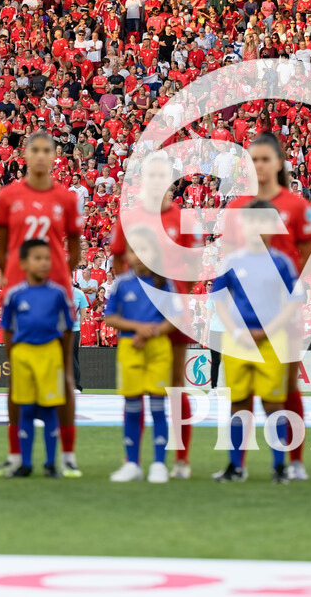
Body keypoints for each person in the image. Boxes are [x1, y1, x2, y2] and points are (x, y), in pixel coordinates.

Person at [0, 132, 83, 479]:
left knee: (65, 375)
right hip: (19, 291)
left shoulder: (66, 199)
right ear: (25, 155)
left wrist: (58, 274)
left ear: (55, 155)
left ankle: (67, 455)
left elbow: (74, 250)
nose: (41, 156)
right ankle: (16, 456)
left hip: (56, 294)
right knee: (17, 379)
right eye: (35, 150)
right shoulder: (8, 196)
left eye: (47, 150)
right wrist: (12, 274)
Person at [223, 133, 311, 481]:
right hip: (243, 316)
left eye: (265, 159)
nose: (259, 166)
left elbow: (306, 255)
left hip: (281, 315)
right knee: (240, 394)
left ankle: (293, 462)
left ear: (279, 163)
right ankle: (238, 465)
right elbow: (229, 259)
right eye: (253, 159)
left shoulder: (297, 207)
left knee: (286, 390)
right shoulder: (236, 207)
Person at [111, 154, 203, 480]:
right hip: (138, 312)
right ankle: (132, 460)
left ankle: (179, 459)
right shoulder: (130, 217)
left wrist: (175, 297)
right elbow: (118, 260)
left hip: (172, 315)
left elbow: (193, 268)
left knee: (175, 386)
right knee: (135, 389)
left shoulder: (186, 220)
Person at [211, 199, 300, 484]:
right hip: (238, 341)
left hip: (272, 341)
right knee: (238, 402)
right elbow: (219, 301)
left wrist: (270, 329)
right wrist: (236, 332)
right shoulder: (232, 261)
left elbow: (293, 301)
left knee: (274, 404)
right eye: (251, 222)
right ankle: (236, 466)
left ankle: (279, 467)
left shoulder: (282, 262)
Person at [105, 229, 179, 484]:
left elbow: (175, 319)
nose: (138, 257)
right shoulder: (122, 283)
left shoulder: (165, 283)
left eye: (144, 251)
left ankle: (159, 463)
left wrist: (152, 331)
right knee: (132, 407)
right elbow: (110, 317)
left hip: (158, 349)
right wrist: (138, 328)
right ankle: (132, 464)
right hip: (130, 348)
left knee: (158, 407)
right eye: (133, 251)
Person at [0, 239, 75, 479]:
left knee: (50, 407)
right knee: (26, 408)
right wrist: (12, 356)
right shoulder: (14, 294)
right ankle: (25, 462)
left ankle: (51, 463)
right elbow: (8, 330)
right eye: (37, 258)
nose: (43, 263)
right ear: (24, 263)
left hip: (50, 353)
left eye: (47, 258)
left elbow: (66, 330)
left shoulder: (58, 293)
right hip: (23, 353)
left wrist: (63, 360)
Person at [72, 284, 90, 392]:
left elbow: (83, 313)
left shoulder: (79, 293)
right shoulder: (56, 291)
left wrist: (77, 325)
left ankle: (76, 385)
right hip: (58, 330)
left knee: (72, 357)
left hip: (73, 330)